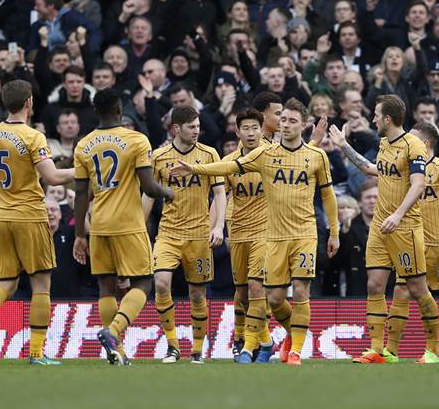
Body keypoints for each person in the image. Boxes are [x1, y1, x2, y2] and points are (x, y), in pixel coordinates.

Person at [171, 98, 339, 366]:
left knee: (298, 290)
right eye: (282, 119)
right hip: (261, 236)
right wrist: (195, 168)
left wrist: (334, 231)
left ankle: (289, 350)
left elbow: (328, 194)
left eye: (292, 120)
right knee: (269, 298)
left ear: (302, 125)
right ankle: (276, 339)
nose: (285, 124)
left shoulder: (315, 156)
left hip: (300, 234)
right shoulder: (264, 155)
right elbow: (227, 169)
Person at [333, 120, 439, 363]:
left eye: (413, 137)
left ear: (425, 143)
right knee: (400, 291)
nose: (406, 141)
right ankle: (391, 350)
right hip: (409, 238)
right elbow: (368, 167)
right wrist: (344, 146)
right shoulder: (400, 166)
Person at [0, 79, 75, 365]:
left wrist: (0, 198)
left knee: (6, 284)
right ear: (28, 103)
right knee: (40, 285)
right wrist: (85, 169)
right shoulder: (33, 136)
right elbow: (52, 177)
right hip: (30, 216)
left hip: (1, 217)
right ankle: (36, 353)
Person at [329, 94, 439, 364]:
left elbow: (418, 184)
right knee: (374, 285)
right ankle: (377, 349)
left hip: (404, 226)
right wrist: (343, 146)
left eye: (376, 115)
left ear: (387, 118)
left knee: (417, 288)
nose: (373, 119)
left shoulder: (414, 146)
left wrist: (398, 214)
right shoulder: (383, 144)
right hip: (380, 226)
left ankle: (433, 350)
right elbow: (371, 170)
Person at [73, 88, 173, 366]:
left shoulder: (83, 144)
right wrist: (168, 192)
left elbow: (81, 194)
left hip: (99, 223)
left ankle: (117, 352)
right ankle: (113, 332)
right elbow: (149, 187)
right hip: (128, 224)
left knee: (106, 287)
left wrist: (80, 234)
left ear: (96, 111)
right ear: (119, 109)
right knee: (143, 281)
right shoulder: (136, 140)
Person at [143, 105, 226, 365]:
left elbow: (220, 193)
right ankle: (172, 346)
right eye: (191, 127)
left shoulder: (210, 154)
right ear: (176, 128)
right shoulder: (160, 156)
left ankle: (198, 350)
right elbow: (149, 193)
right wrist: (138, 226)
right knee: (161, 283)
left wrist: (218, 226)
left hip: (199, 234)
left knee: (198, 294)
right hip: (168, 233)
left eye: (198, 126)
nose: (196, 131)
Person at [222, 109, 274, 363]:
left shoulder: (273, 156)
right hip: (238, 231)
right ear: (237, 132)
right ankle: (257, 339)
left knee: (256, 287)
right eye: (246, 128)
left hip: (265, 231)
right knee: (241, 294)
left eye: (255, 128)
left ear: (262, 130)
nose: (251, 133)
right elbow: (221, 196)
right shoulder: (229, 162)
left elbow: (301, 158)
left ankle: (248, 347)